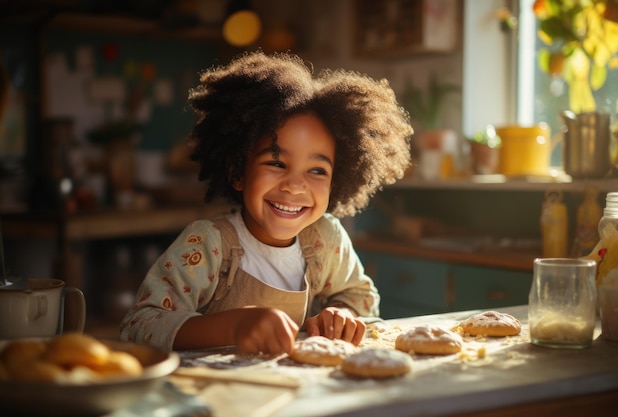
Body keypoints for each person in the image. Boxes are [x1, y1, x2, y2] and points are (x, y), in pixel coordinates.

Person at [120, 51, 413, 354]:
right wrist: (235, 326)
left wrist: (343, 313)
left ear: (335, 182)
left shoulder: (326, 239)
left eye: (317, 170)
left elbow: (359, 295)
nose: (295, 185)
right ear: (237, 172)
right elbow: (140, 325)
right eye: (276, 163)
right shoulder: (208, 244)